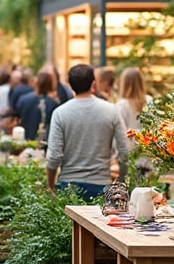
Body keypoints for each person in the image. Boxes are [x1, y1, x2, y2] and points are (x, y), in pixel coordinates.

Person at [45, 64, 130, 201]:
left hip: (68, 185)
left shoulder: (60, 113)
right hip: (101, 185)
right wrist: (121, 178)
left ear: (71, 86)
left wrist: (50, 185)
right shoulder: (112, 110)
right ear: (93, 84)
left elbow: (54, 156)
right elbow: (124, 151)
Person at [115, 67, 154, 180]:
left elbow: (120, 133)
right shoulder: (149, 101)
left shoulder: (121, 105)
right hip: (146, 157)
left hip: (128, 157)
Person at [15, 71, 60, 141]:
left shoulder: (23, 99)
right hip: (43, 140)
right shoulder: (53, 103)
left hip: (25, 139)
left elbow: (17, 119)